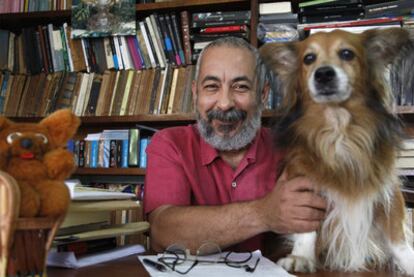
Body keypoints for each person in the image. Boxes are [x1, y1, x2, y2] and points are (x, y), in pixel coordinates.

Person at [144, 37, 327, 254]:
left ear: (262, 94)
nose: (224, 103)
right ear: (195, 94)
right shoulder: (170, 143)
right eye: (211, 87)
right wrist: (264, 214)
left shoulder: (293, 148)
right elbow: (163, 233)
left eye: (240, 87)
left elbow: (320, 229)